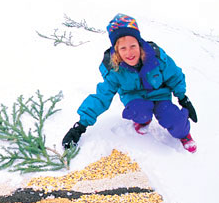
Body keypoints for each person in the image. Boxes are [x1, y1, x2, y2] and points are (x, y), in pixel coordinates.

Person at [62, 13, 198, 153]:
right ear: (116, 51)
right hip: (135, 98)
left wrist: (183, 97)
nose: (129, 52)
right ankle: (143, 121)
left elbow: (174, 75)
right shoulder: (114, 69)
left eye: (133, 46)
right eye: (123, 48)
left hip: (160, 95)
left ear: (139, 44)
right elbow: (101, 97)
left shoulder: (156, 57)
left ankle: (184, 134)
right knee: (139, 110)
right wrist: (80, 126)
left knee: (175, 119)